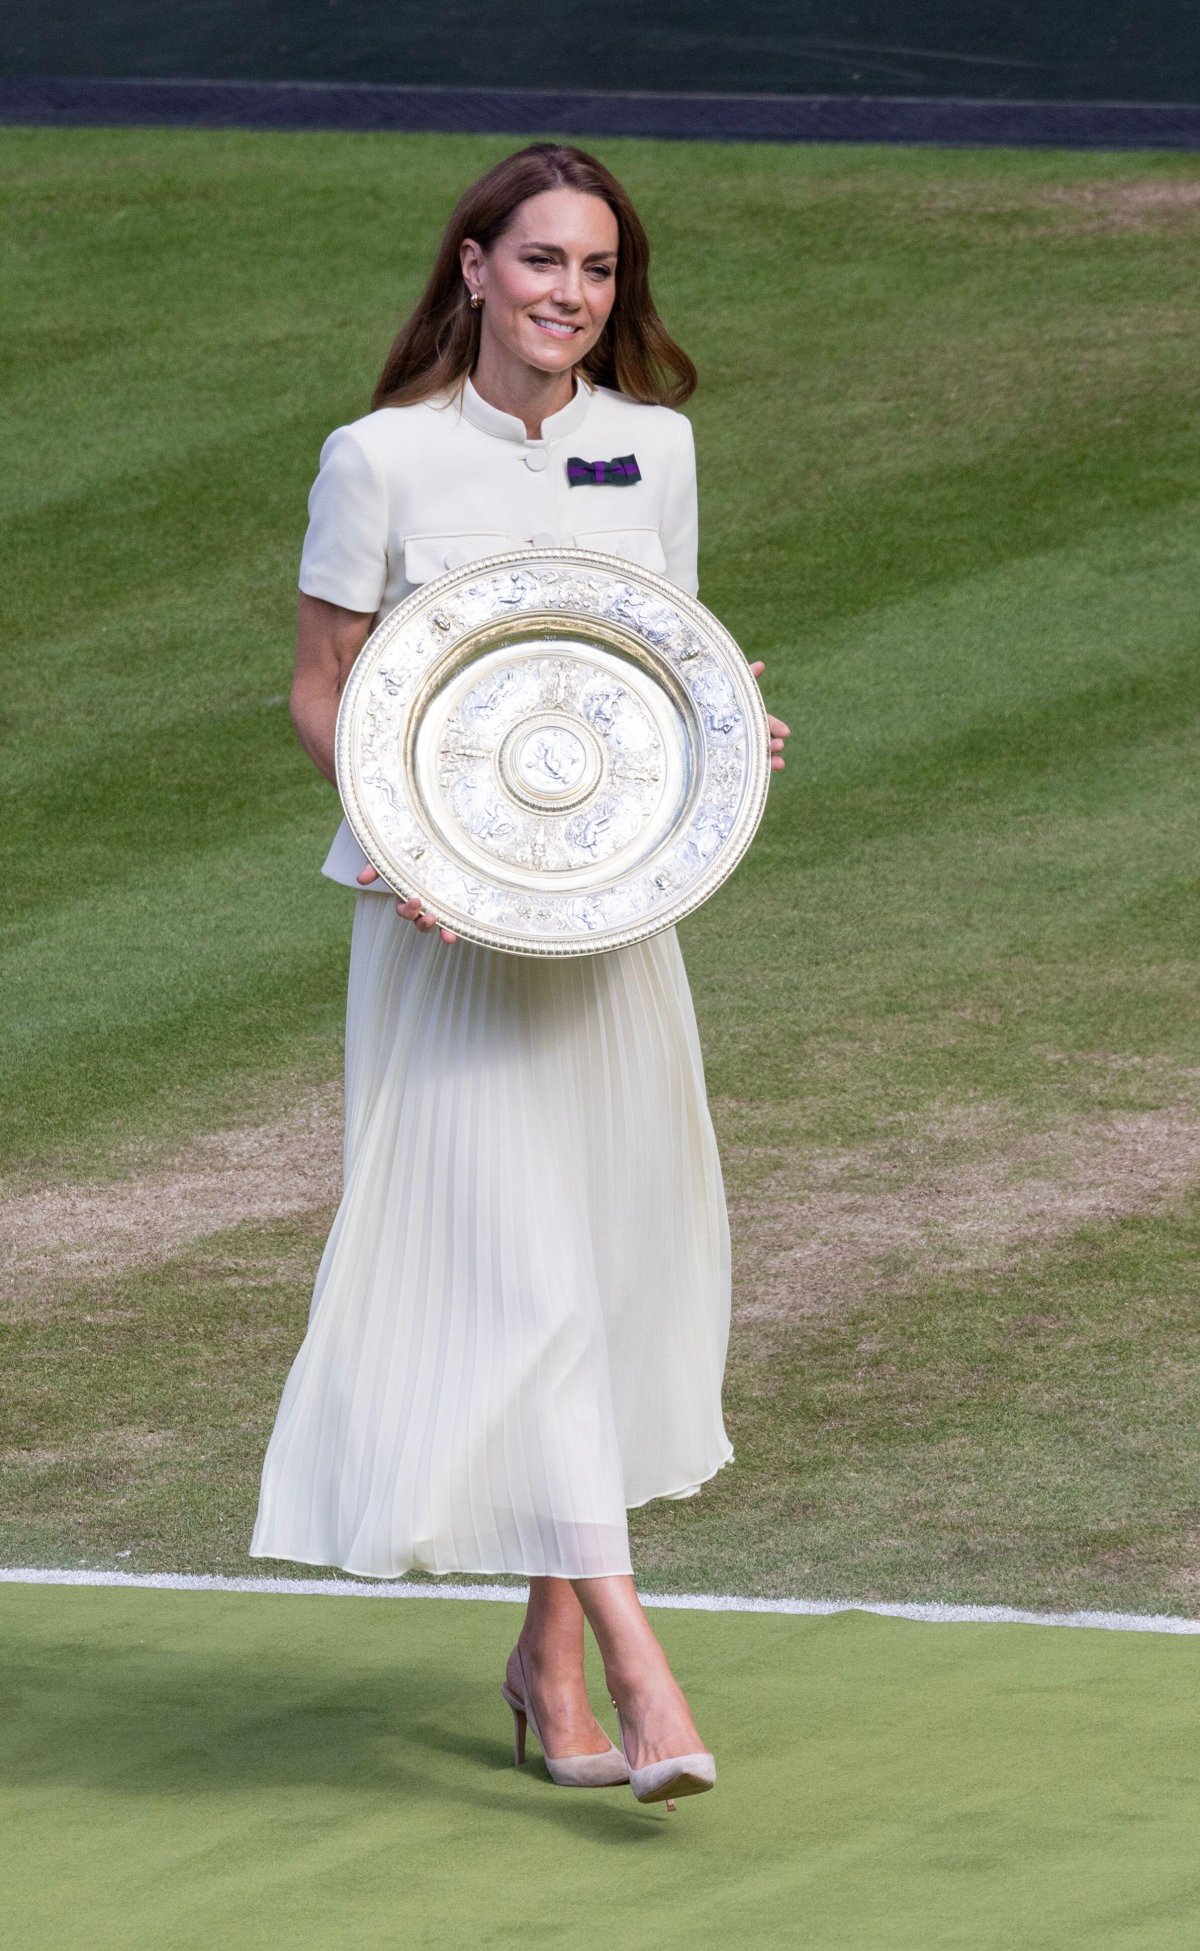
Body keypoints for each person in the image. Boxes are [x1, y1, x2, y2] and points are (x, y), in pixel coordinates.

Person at [250, 142, 789, 1806]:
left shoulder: (658, 449)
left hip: (612, 931)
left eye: (600, 271)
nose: (571, 295)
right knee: (533, 1284)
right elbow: (324, 689)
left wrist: (734, 744)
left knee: (606, 1274)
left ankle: (544, 1653)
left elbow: (663, 673)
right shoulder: (381, 458)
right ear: (473, 267)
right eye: (542, 260)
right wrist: (412, 849)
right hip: (444, 943)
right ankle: (636, 1659)